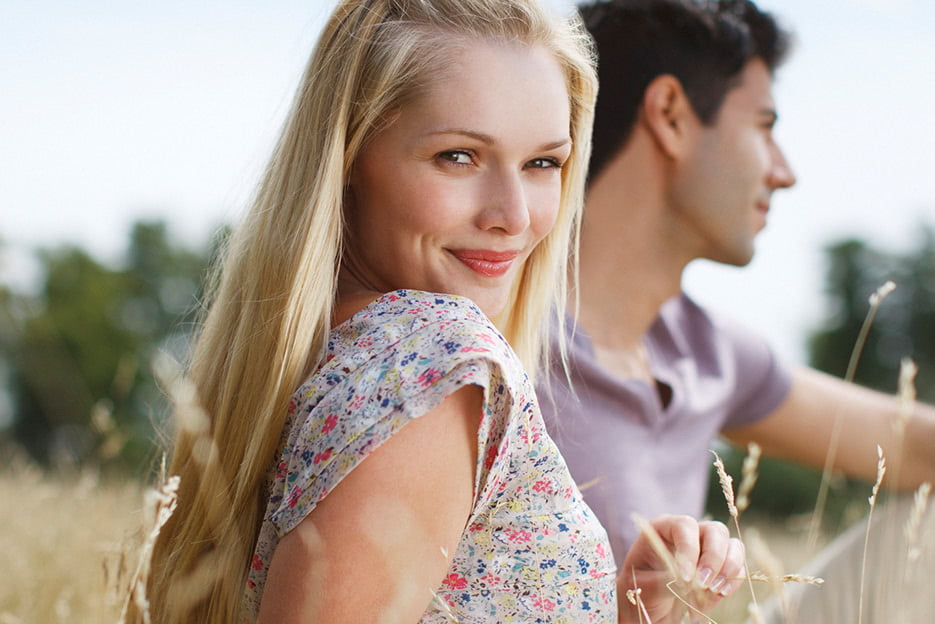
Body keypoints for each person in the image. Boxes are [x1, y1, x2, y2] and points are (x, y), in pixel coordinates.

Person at [139, 1, 746, 623]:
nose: (513, 215)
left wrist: (619, 612)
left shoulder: (333, 353)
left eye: (543, 163)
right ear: (348, 155)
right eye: (458, 156)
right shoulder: (435, 362)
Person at [538, 0, 935, 598]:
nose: (784, 171)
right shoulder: (497, 335)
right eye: (764, 126)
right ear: (670, 115)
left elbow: (913, 448)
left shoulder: (707, 349)